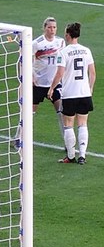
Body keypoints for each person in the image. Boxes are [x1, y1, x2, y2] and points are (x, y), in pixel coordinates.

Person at [14, 17, 67, 149]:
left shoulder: (61, 42)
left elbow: (63, 62)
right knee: (29, 113)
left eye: (54, 27)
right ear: (44, 28)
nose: (52, 30)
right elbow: (25, 60)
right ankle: (18, 138)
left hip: (54, 84)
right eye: (49, 27)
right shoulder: (36, 43)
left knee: (61, 112)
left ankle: (68, 143)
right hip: (38, 84)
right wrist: (31, 76)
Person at [49, 22, 95, 165]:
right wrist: (90, 89)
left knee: (68, 125)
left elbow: (59, 73)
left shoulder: (63, 52)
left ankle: (70, 156)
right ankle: (82, 156)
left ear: (68, 35)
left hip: (69, 94)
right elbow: (92, 73)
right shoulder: (86, 50)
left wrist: (51, 88)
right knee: (83, 124)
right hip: (85, 94)